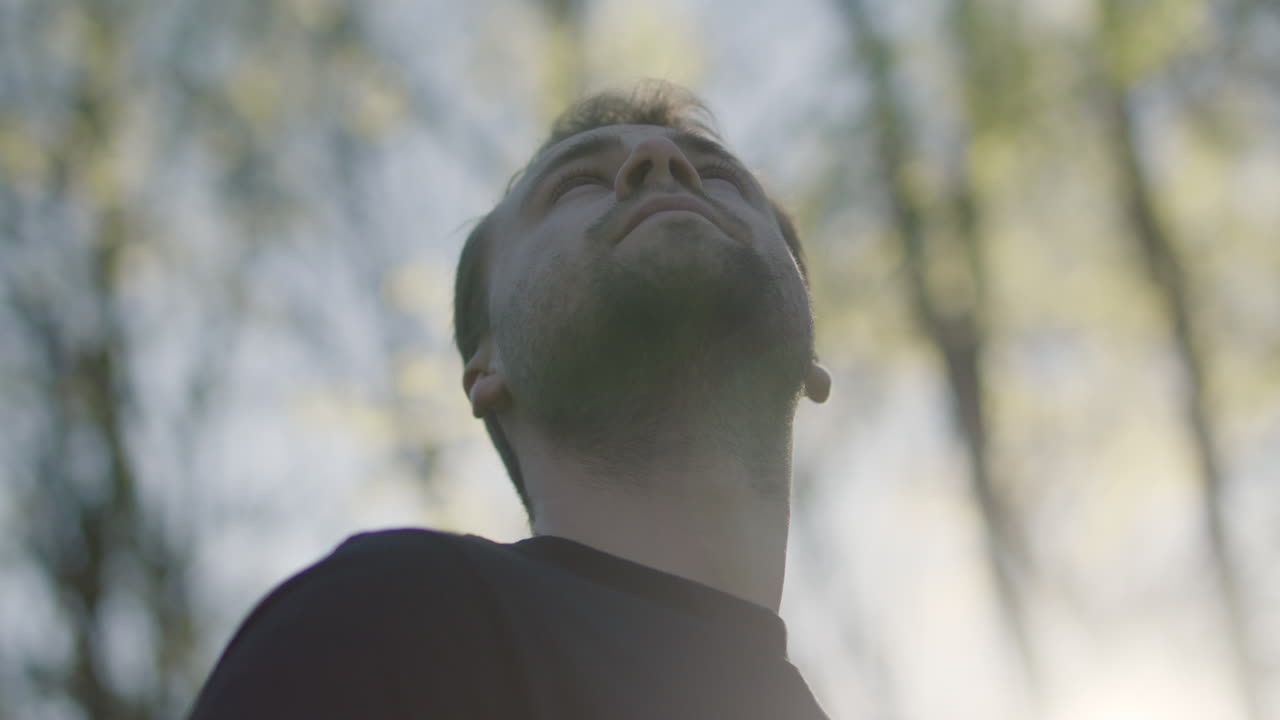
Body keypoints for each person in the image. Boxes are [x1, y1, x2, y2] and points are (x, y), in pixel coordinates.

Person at [188, 80, 833, 720]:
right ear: (487, 365)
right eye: (578, 185)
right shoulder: (401, 620)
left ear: (811, 349)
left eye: (720, 178)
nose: (663, 165)